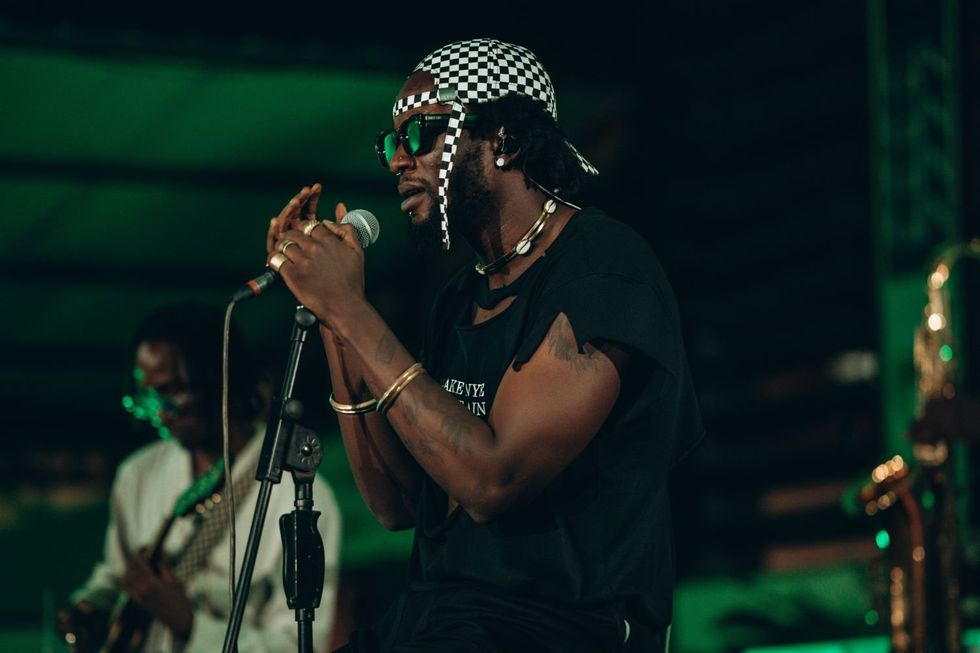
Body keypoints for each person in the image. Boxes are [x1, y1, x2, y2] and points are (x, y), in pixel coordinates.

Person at [266, 38, 703, 653]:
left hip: (556, 627)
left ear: (505, 141)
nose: (398, 161)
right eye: (392, 143)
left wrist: (350, 308)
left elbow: (493, 480)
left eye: (422, 134)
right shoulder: (457, 298)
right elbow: (399, 505)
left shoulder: (604, 271)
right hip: (442, 619)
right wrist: (335, 321)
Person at [57, 303, 341, 653]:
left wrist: (190, 625)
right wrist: (90, 605)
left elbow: (298, 644)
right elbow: (116, 575)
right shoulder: (138, 474)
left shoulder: (298, 494)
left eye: (174, 391)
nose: (159, 411)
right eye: (146, 396)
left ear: (222, 381)